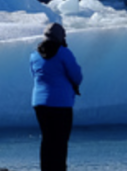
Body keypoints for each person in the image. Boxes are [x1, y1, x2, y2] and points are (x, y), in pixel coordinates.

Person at [29, 23, 83, 171]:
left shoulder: (34, 55)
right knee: (60, 142)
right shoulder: (64, 53)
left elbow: (34, 75)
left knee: (47, 140)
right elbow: (77, 76)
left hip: (39, 103)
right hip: (61, 103)